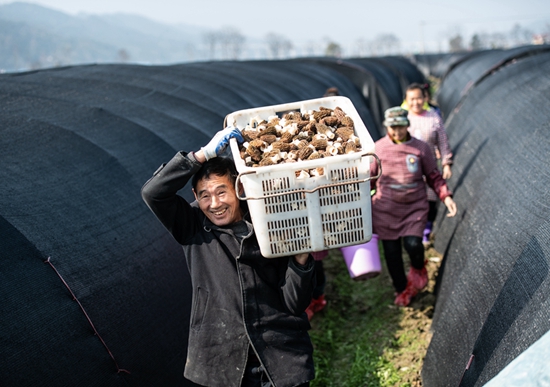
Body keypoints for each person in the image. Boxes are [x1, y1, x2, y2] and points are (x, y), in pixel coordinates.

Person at [141, 127, 316, 387]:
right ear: (195, 197)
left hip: (280, 356)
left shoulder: (271, 221)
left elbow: (295, 303)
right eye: (204, 195)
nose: (214, 204)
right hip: (220, 360)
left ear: (239, 186)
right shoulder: (191, 225)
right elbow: (153, 193)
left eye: (222, 192)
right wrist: (201, 155)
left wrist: (301, 258)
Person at [370, 107, 457, 307]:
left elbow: (433, 176)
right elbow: (370, 180)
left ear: (407, 125)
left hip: (414, 208)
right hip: (385, 210)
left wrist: (446, 196)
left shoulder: (421, 148)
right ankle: (402, 289)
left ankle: (418, 267)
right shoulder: (378, 149)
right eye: (393, 127)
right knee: (392, 255)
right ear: (387, 127)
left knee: (413, 245)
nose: (397, 131)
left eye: (400, 127)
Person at [404, 82, 453, 247]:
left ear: (424, 98)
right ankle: (413, 233)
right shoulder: (404, 120)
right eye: (412, 99)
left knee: (430, 203)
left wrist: (446, 163)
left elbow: (443, 141)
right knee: (413, 202)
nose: (415, 102)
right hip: (409, 172)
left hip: (430, 169)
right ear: (406, 100)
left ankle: (425, 233)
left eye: (418, 98)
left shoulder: (433, 117)